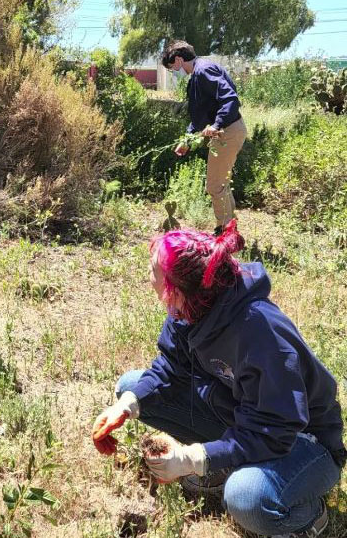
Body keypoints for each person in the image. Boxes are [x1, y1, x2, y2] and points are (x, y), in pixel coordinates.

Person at [92, 221, 346, 537]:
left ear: (177, 287)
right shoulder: (190, 307)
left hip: (303, 441)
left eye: (154, 272)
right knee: (132, 387)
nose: (149, 279)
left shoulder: (260, 331)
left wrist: (190, 459)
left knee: (245, 499)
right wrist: (127, 406)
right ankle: (224, 465)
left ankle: (307, 515)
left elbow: (275, 430)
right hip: (241, 415)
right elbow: (171, 366)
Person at [162, 40, 247, 235]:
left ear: (178, 59)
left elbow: (230, 98)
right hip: (227, 130)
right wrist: (188, 140)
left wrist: (217, 124)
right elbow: (200, 115)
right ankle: (230, 228)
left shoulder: (203, 71)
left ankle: (225, 233)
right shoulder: (197, 75)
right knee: (221, 183)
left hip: (228, 130)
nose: (172, 72)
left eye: (171, 68)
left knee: (215, 185)